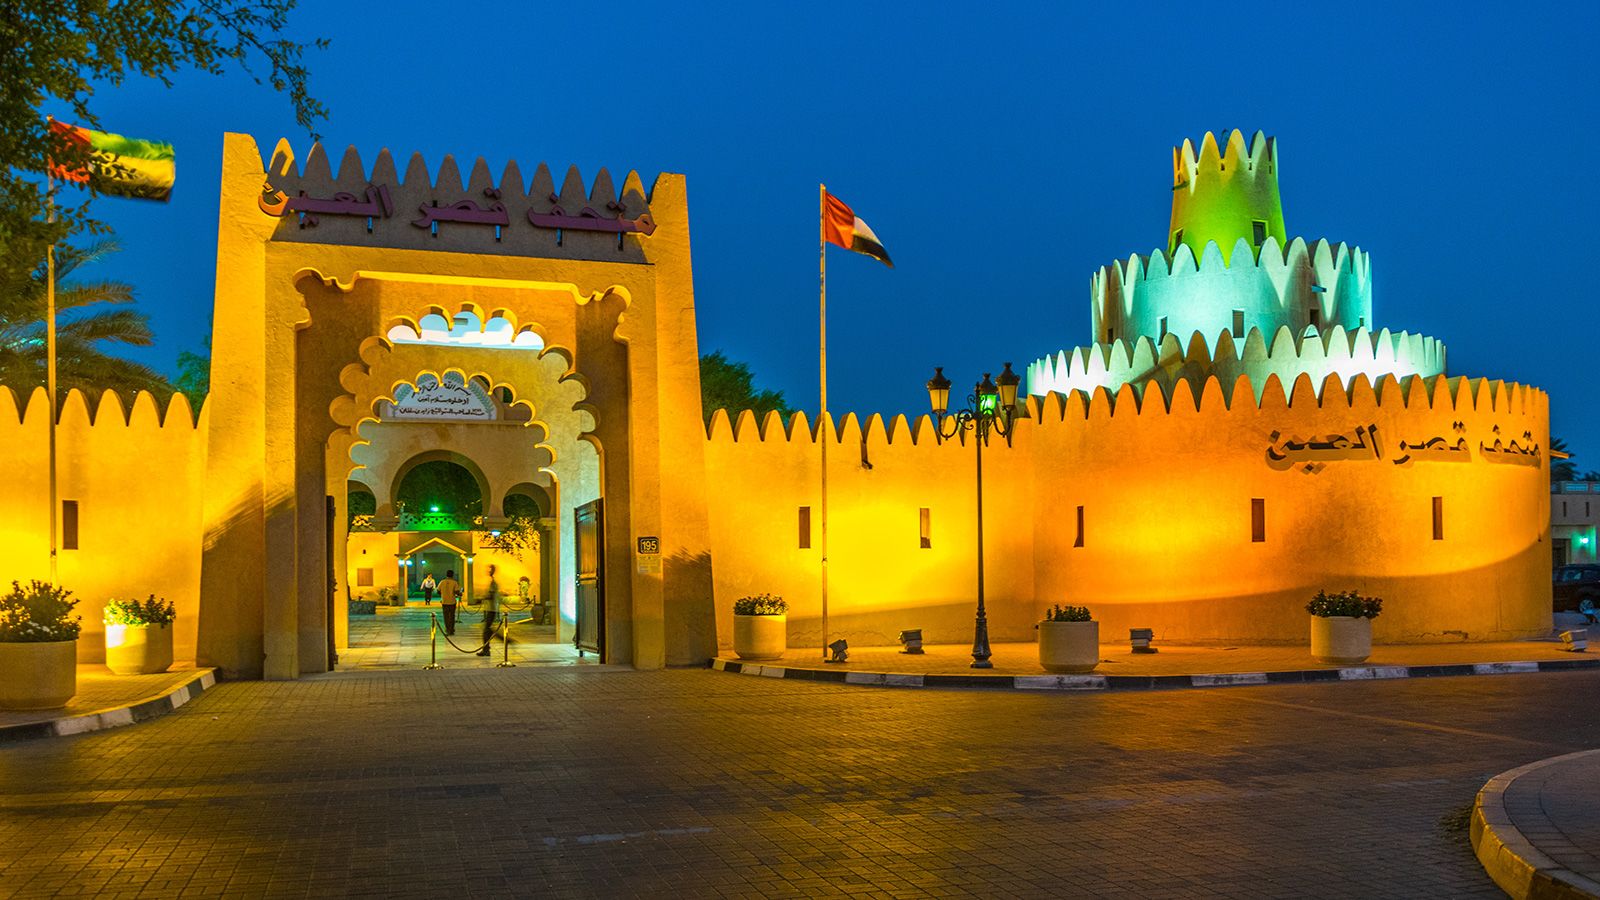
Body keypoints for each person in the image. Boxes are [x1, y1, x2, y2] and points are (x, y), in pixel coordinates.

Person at [477, 564, 502, 656]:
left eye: (490, 569)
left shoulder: (493, 582)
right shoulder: (491, 582)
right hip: (490, 608)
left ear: (493, 570)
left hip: (492, 609)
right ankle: (487, 648)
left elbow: (491, 595)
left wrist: (481, 598)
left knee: (486, 630)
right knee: (488, 630)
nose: (488, 571)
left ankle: (486, 649)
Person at [436, 569, 460, 636]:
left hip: (444, 602)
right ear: (452, 575)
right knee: (452, 616)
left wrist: (443, 594)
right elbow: (457, 592)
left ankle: (447, 629)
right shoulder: (454, 582)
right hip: (452, 602)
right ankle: (451, 630)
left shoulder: (442, 582)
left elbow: (438, 591)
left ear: (446, 574)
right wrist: (459, 594)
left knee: (446, 617)